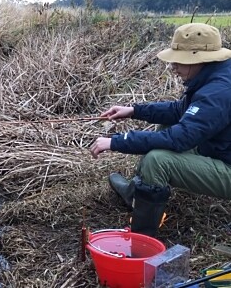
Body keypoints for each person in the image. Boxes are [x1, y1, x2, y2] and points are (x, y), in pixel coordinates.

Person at [89, 22, 231, 237]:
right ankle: (135, 194)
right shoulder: (215, 76)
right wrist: (133, 110)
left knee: (157, 161)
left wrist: (116, 142)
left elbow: (180, 139)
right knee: (168, 127)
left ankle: (141, 238)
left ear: (200, 58)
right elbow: (180, 111)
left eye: (179, 61)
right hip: (220, 148)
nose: (173, 67)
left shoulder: (219, 91)